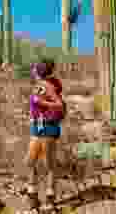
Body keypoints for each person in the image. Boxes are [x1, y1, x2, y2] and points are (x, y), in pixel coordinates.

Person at [24, 58, 65, 211]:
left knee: (49, 164)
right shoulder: (39, 85)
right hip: (38, 126)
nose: (32, 70)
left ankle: (50, 197)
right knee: (30, 161)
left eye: (34, 68)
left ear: (39, 71)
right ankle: (32, 193)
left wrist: (42, 103)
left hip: (48, 127)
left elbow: (59, 104)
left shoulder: (47, 86)